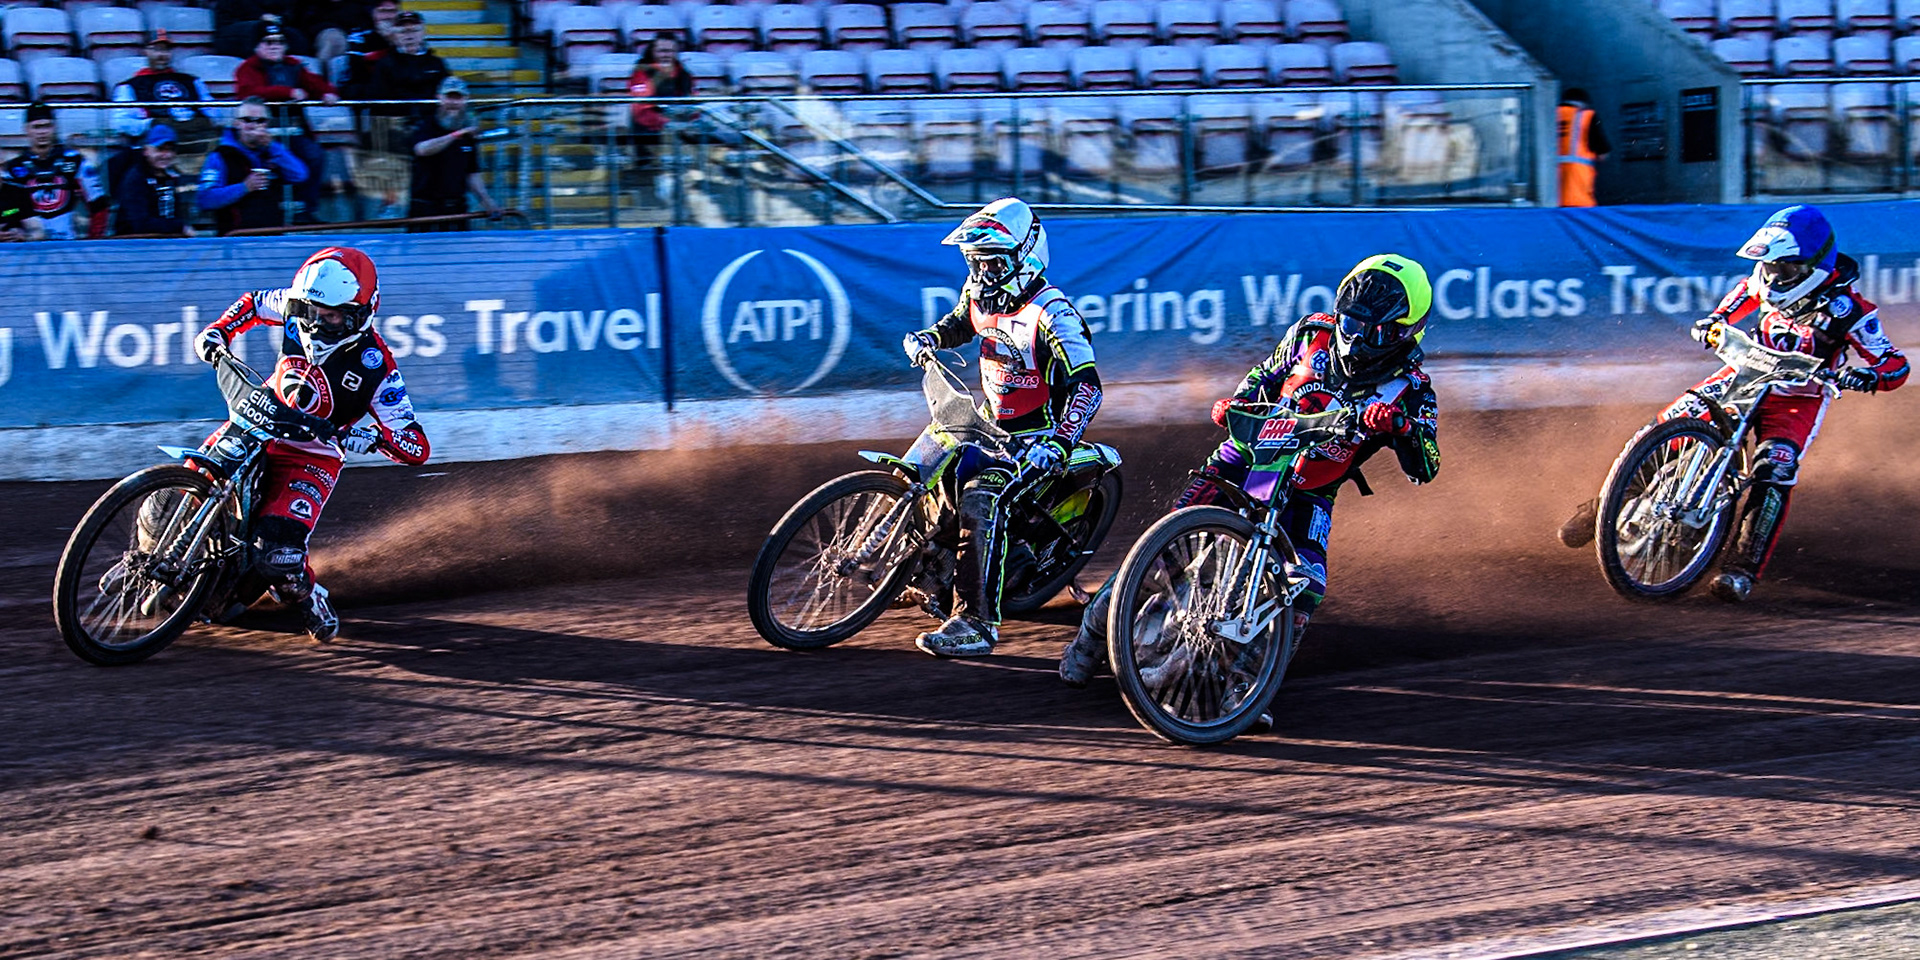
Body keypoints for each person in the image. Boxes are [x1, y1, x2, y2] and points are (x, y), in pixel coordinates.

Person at [1060, 254, 1442, 687]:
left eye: (1365, 328)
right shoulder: (1312, 332)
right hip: (1248, 454)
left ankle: (1247, 686)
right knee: (1166, 542)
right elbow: (1266, 373)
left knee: (1308, 584)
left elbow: (1426, 467)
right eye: (1348, 321)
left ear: (1400, 331)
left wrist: (1403, 428)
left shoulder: (1411, 390)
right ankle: (1093, 630)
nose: (1351, 336)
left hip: (1310, 490)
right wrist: (1237, 403)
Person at [1565, 206, 1909, 602]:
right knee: (1667, 427)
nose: (1773, 276)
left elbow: (1895, 365)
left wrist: (1868, 376)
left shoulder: (1850, 312)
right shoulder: (1764, 280)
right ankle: (1601, 511)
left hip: (1796, 399)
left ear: (1812, 266)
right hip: (1745, 374)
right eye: (1768, 266)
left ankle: (1741, 570)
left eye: (1784, 269)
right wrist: (1716, 320)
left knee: (1774, 468)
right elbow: (1743, 294)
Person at [190, 247, 431, 641]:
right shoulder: (294, 304)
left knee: (277, 553)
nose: (316, 323)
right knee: (190, 480)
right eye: (309, 312)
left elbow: (417, 446)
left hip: (312, 455)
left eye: (331, 316)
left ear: (360, 314)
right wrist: (219, 330)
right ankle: (145, 560)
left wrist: (373, 439)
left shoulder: (377, 367)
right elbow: (252, 303)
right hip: (260, 418)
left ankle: (307, 595)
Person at [899, 197, 1102, 657]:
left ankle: (976, 623)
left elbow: (1089, 388)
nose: (983, 272)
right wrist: (930, 337)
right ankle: (922, 575)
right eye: (976, 262)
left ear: (1026, 256)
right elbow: (960, 323)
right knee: (928, 473)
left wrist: (1059, 443)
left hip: (1038, 439)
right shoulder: (980, 291)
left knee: (980, 499)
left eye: (992, 262)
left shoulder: (1055, 313)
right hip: (985, 423)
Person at [234, 21, 336, 220]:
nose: (274, 46)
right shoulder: (247, 68)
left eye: (279, 42)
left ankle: (306, 211)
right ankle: (270, 214)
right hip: (260, 134)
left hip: (294, 132)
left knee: (315, 156)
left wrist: (327, 92)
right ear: (257, 46)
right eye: (268, 42)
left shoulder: (293, 65)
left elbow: (317, 84)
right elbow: (248, 93)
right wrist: (286, 92)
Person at [198, 97, 310, 235]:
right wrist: (244, 187)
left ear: (267, 124)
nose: (254, 126)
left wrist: (272, 146)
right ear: (237, 123)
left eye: (260, 121)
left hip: (272, 236)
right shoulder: (220, 155)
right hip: (235, 240)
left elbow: (300, 175)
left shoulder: (273, 151)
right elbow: (205, 199)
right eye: (248, 120)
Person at [405, 76, 501, 231]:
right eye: (449, 97)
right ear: (439, 98)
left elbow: (472, 172)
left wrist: (486, 200)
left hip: (457, 208)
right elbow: (422, 149)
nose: (453, 103)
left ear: (466, 99)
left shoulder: (469, 132)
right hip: (424, 209)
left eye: (458, 98)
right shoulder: (425, 124)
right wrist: (455, 135)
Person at [4, 102, 109, 240]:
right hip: (28, 244)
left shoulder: (76, 162)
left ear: (54, 127)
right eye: (36, 127)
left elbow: (98, 204)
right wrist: (14, 229)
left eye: (46, 126)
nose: (42, 132)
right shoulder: (13, 168)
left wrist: (94, 241)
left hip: (68, 242)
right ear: (26, 130)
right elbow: (7, 211)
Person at [110, 30, 219, 159]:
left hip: (197, 143)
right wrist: (153, 124)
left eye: (166, 50)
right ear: (146, 51)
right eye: (156, 49)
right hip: (156, 148)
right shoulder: (129, 86)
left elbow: (214, 113)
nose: (162, 55)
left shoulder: (191, 81)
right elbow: (119, 123)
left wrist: (201, 121)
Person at [626, 35, 693, 205]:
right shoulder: (642, 72)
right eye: (662, 50)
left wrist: (690, 120)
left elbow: (693, 101)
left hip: (680, 132)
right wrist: (667, 124)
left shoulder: (684, 73)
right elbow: (642, 110)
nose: (666, 55)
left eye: (670, 51)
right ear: (652, 51)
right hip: (650, 133)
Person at [113, 125, 194, 237]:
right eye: (160, 149)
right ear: (146, 151)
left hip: (167, 243)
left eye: (170, 150)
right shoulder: (136, 179)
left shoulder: (171, 177)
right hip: (138, 246)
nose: (166, 155)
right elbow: (140, 224)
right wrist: (179, 227)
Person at [372, 11, 449, 117]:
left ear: (423, 33)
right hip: (396, 121)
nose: (409, 36)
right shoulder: (384, 64)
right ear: (394, 35)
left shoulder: (436, 63)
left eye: (414, 31)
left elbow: (447, 92)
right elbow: (378, 99)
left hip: (432, 121)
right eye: (403, 32)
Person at [1557, 87, 1610, 208]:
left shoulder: (1550, 115)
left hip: (1549, 196)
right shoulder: (1587, 116)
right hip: (1578, 196)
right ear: (1583, 103)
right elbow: (1603, 154)